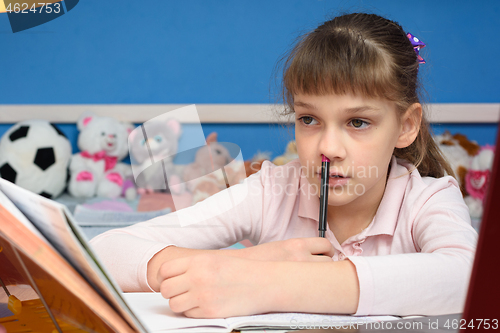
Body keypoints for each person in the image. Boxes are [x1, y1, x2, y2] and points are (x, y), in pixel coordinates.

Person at [90, 13, 477, 319]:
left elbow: (468, 278)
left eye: (358, 122)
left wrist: (275, 282)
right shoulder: (273, 191)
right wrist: (245, 262)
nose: (328, 149)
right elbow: (103, 251)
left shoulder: (427, 199)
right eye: (309, 119)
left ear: (405, 126)